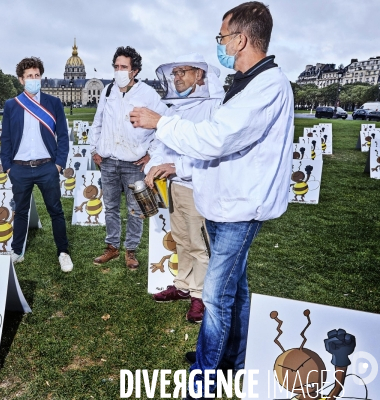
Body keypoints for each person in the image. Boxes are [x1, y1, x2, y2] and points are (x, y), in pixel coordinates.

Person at [130, 2, 293, 396]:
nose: (220, 43)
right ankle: (232, 360)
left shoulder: (268, 85)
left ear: (240, 38)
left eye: (222, 36)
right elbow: (217, 150)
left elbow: (217, 138)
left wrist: (160, 123)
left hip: (240, 209)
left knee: (217, 297)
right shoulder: (243, 83)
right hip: (223, 205)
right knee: (235, 290)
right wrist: (175, 167)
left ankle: (203, 378)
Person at [144, 54, 224, 324]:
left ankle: (200, 295)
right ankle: (183, 285)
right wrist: (153, 168)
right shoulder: (176, 107)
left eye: (183, 72)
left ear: (200, 75)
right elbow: (160, 145)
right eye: (174, 73)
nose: (176, 78)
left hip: (198, 185)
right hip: (174, 186)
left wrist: (176, 166)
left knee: (198, 243)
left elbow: (212, 150)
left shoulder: (215, 107)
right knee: (180, 237)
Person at [90, 46, 168, 270]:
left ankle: (130, 251)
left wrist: (150, 155)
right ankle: (112, 247)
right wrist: (95, 149)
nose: (118, 71)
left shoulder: (148, 94)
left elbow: (163, 127)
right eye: (116, 67)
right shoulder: (107, 91)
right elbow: (98, 123)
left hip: (133, 163)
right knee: (111, 207)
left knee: (135, 209)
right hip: (108, 162)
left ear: (134, 70)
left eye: (123, 67)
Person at [0, 57, 73, 272]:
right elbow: (5, 139)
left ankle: (63, 252)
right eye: (29, 76)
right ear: (21, 80)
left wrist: (58, 164)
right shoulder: (12, 105)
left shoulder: (53, 103)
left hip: (47, 167)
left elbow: (63, 136)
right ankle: (17, 251)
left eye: (37, 75)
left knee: (56, 211)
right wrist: (8, 167)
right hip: (19, 168)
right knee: (20, 211)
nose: (34, 79)